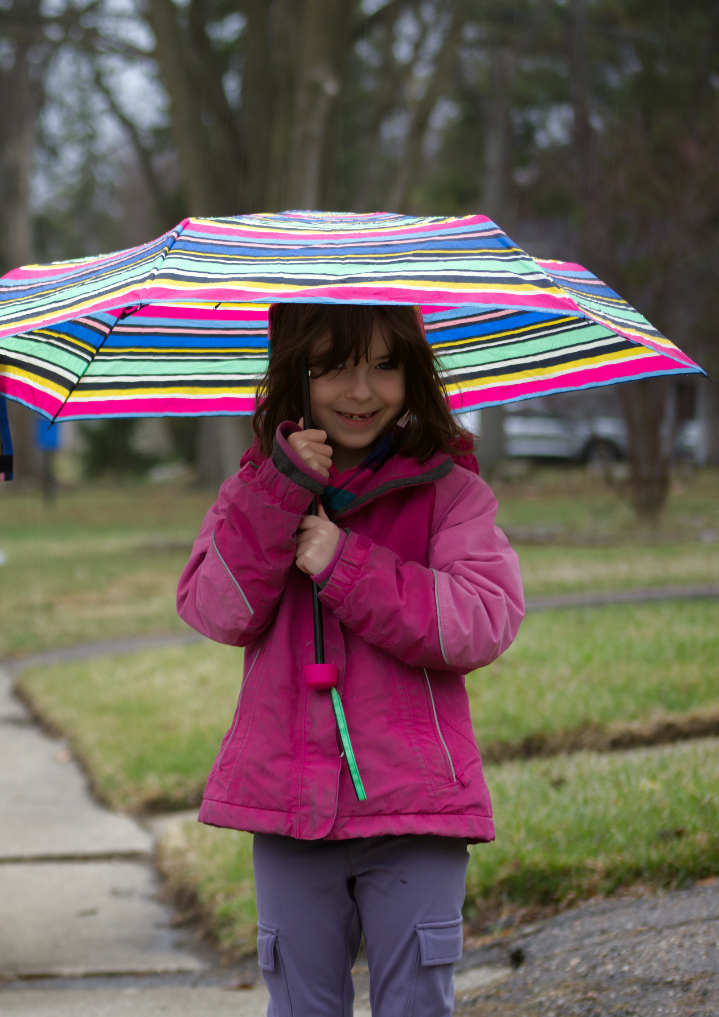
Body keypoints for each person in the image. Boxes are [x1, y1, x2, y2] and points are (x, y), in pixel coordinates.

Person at [177, 303, 523, 1017]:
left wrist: (347, 562)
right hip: (287, 810)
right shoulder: (252, 492)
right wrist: (277, 495)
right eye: (334, 367)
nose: (361, 391)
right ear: (295, 375)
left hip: (415, 810)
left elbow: (481, 621)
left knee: (415, 1004)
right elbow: (218, 609)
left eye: (384, 366)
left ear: (414, 374)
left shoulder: (450, 495)